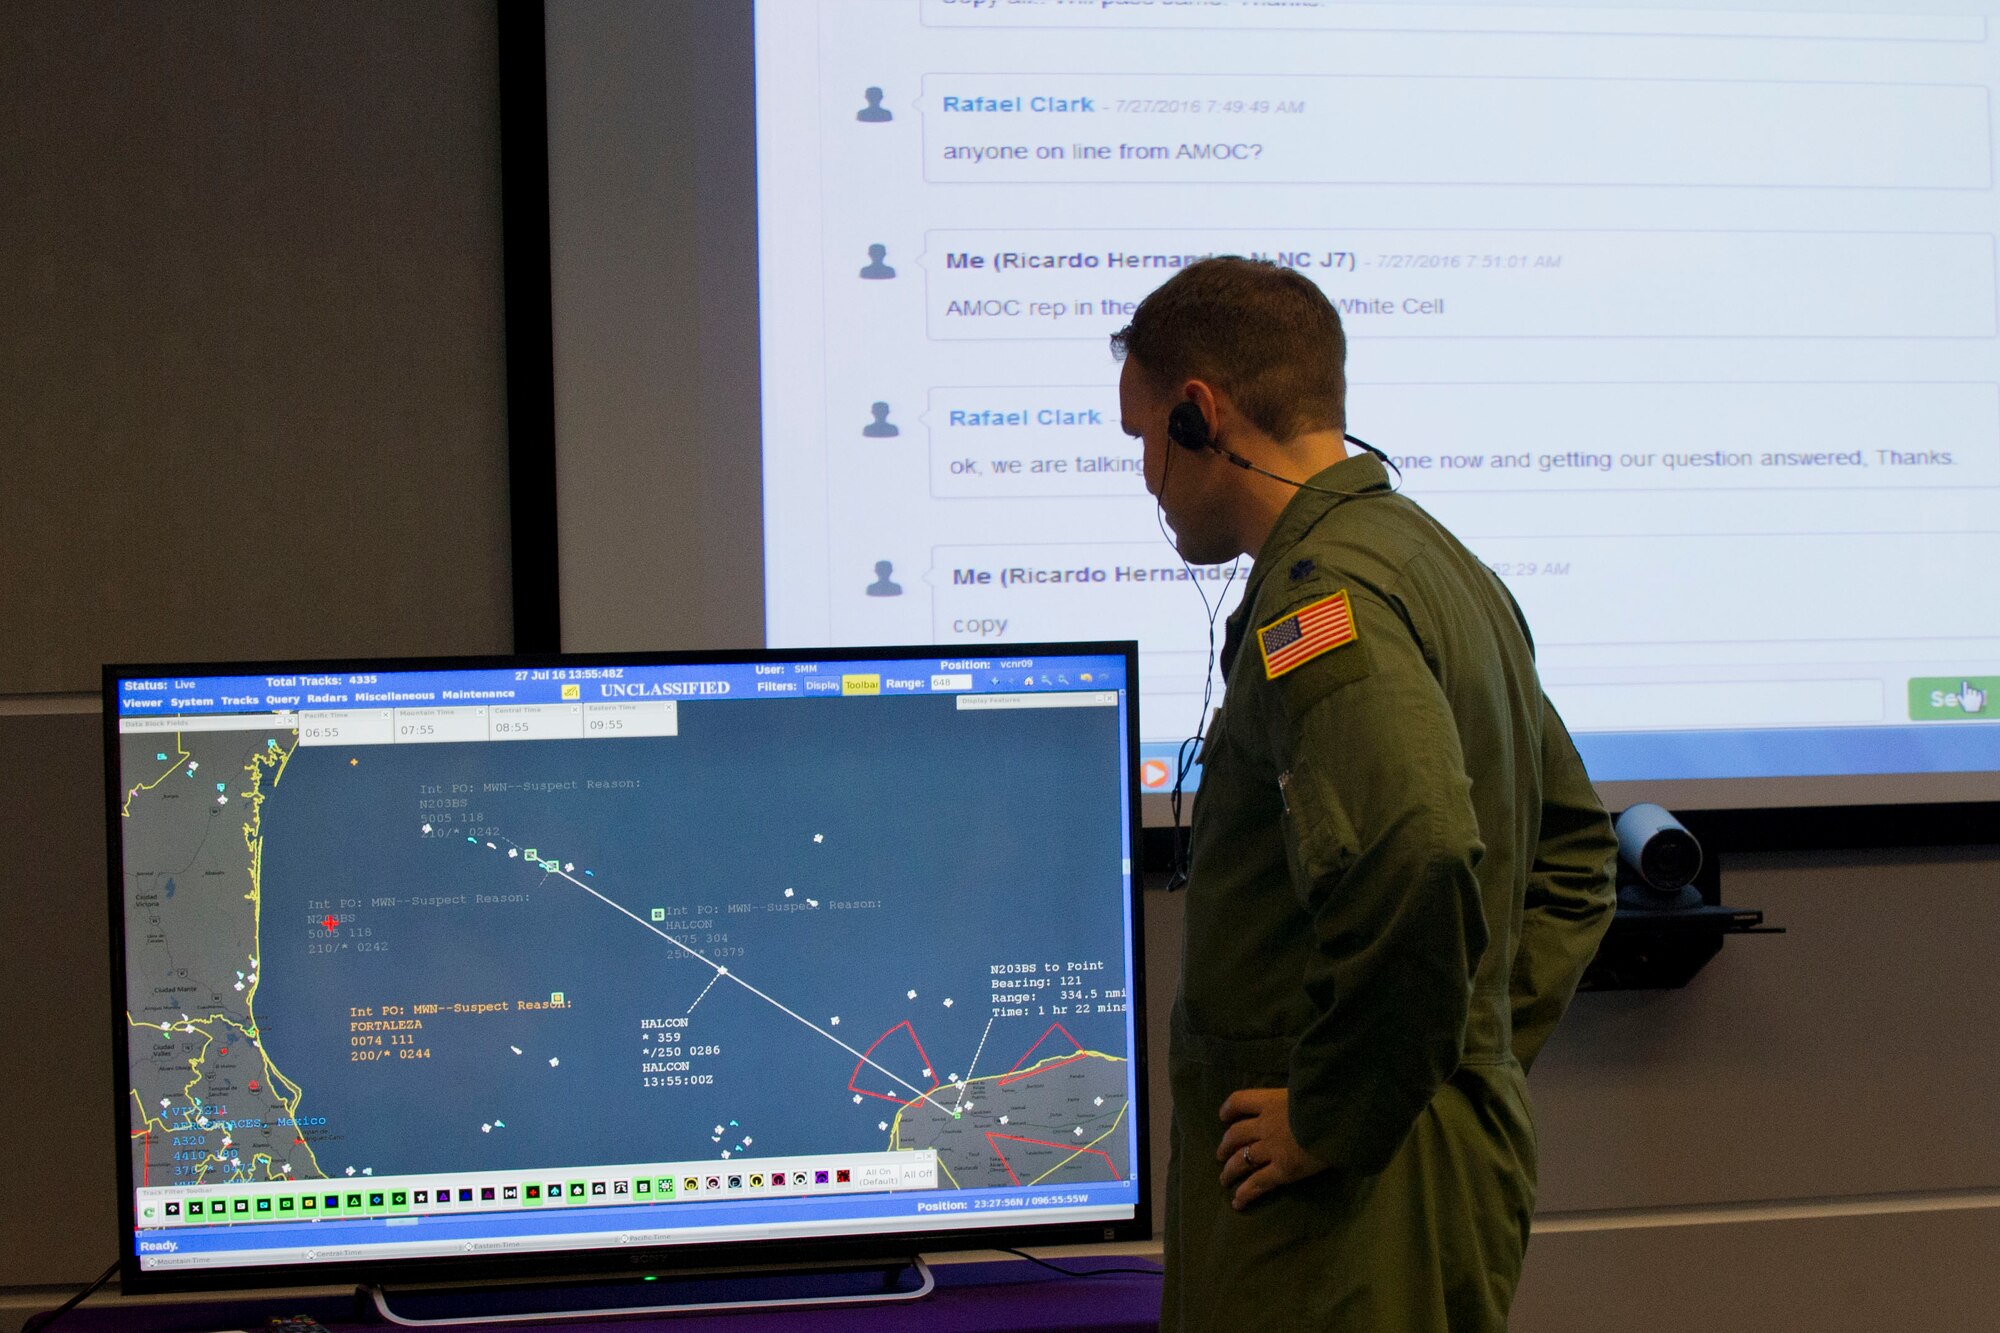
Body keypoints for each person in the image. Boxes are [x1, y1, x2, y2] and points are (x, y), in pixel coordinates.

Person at [1111, 257, 1616, 1331]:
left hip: (1331, 1205)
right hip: (1423, 1164)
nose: (1147, 479)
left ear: (1199, 416)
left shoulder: (1322, 602)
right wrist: (1454, 1050)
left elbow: (1417, 850)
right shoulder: (1437, 562)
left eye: (1144, 441)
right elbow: (1574, 856)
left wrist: (1343, 1107)